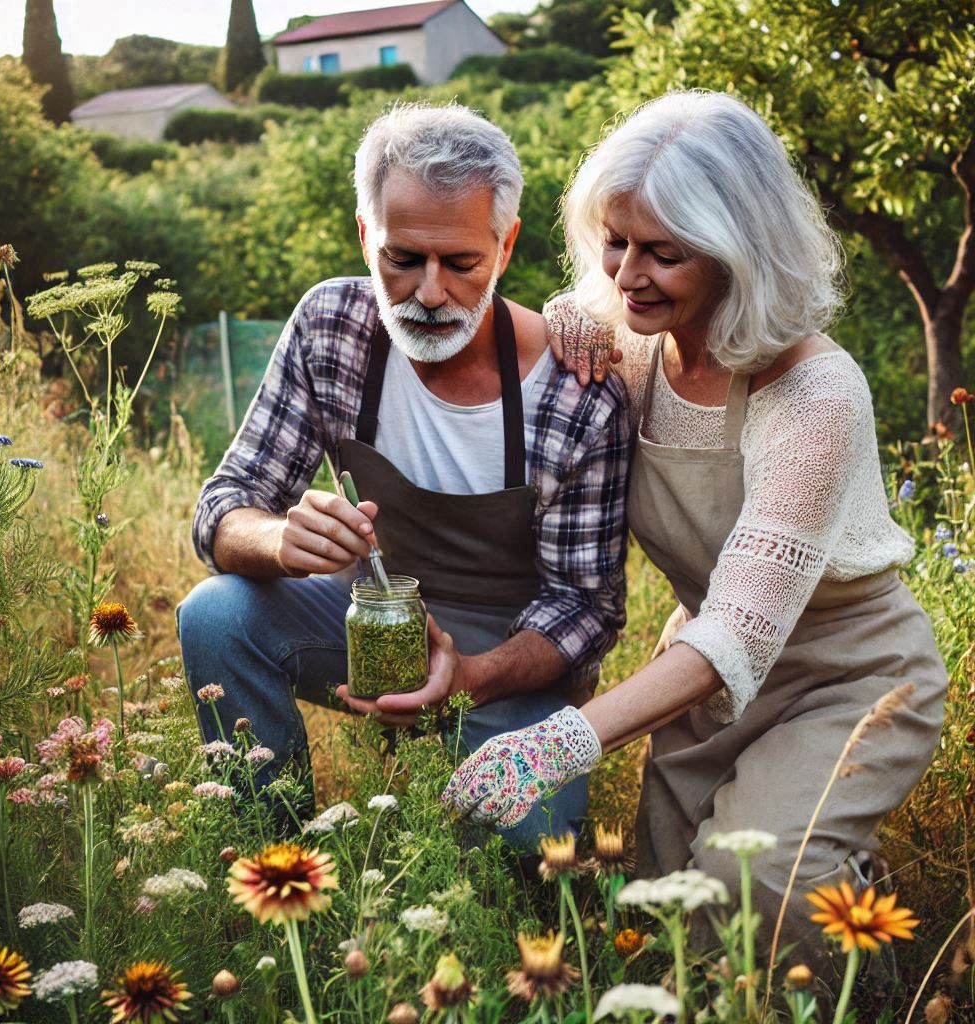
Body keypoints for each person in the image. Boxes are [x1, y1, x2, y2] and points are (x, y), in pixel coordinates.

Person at [442, 90, 947, 971]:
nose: (627, 274)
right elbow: (562, 316)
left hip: (847, 676)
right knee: (666, 917)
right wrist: (567, 313)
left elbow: (740, 631)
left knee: (755, 880)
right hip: (702, 685)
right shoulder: (633, 345)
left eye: (664, 254)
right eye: (615, 241)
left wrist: (556, 744)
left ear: (736, 252)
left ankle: (872, 980)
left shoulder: (817, 393)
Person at [178, 103, 631, 851]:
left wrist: (467, 678)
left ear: (506, 245)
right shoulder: (331, 327)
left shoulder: (574, 393)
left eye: (461, 264)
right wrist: (278, 540)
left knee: (531, 846)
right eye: (402, 258)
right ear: (366, 236)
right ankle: (273, 857)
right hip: (369, 620)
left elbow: (586, 610)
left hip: (507, 658)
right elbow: (223, 510)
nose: (429, 292)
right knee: (216, 614)